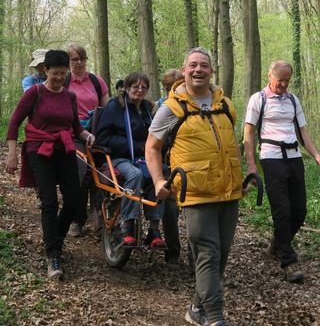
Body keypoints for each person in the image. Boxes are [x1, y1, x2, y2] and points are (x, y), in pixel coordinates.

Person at [146, 47, 242, 326]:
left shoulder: (226, 104)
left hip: (229, 192)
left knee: (220, 257)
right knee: (207, 254)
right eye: (193, 65)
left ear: (211, 71)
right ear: (184, 70)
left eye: (204, 65)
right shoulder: (171, 109)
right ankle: (215, 317)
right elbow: (152, 148)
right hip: (195, 194)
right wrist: (158, 181)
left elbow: (232, 144)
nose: (198, 70)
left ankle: (196, 309)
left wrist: (243, 175)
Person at [5, 49, 95, 281]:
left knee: (74, 199)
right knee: (49, 201)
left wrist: (86, 136)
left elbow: (75, 127)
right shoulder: (35, 92)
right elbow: (15, 122)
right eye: (55, 73)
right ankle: (53, 254)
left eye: (63, 74)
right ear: (46, 70)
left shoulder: (70, 96)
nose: (59, 78)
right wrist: (12, 154)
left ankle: (55, 235)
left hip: (64, 149)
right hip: (39, 150)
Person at [243, 60, 320, 283]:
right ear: (269, 77)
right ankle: (288, 261)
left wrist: (316, 154)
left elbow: (303, 132)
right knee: (282, 209)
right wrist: (251, 164)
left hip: (294, 158)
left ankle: (279, 243)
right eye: (280, 80)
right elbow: (249, 134)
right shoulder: (258, 99)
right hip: (271, 158)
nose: (283, 84)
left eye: (287, 80)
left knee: (299, 210)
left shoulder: (292, 99)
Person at [95, 72, 166, 249]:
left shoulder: (148, 109)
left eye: (144, 87)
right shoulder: (115, 106)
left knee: (160, 174)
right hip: (118, 158)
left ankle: (154, 230)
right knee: (134, 175)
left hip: (143, 158)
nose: (139, 90)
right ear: (127, 88)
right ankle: (127, 226)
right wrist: (135, 146)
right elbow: (102, 138)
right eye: (135, 86)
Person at [64, 43, 109, 237]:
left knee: (101, 175)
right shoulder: (64, 82)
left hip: (97, 132)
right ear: (68, 62)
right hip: (73, 134)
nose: (79, 62)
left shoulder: (97, 82)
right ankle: (77, 219)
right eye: (74, 59)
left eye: (82, 58)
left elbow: (107, 108)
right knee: (80, 174)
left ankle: (99, 220)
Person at [155, 68, 184, 264]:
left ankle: (195, 258)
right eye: (167, 87)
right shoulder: (161, 108)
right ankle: (173, 251)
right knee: (171, 211)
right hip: (170, 168)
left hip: (188, 167)